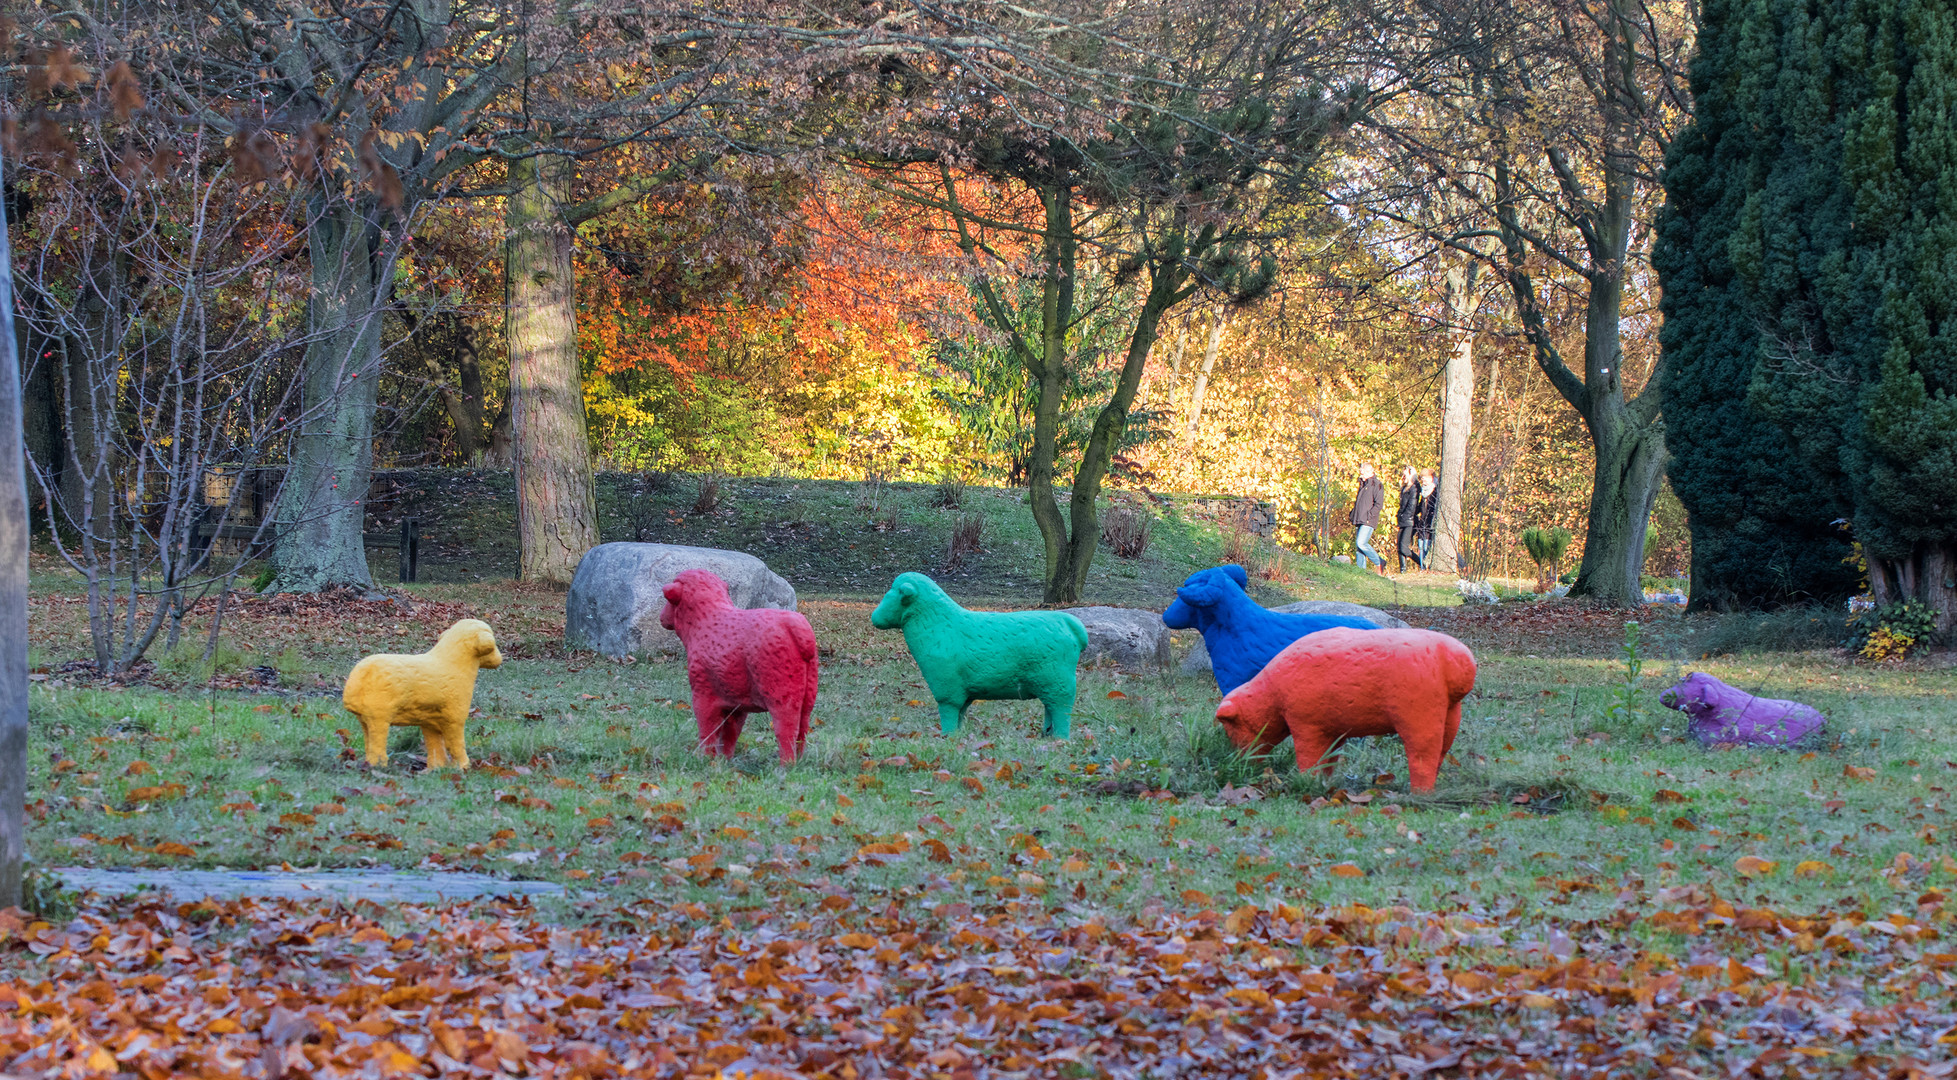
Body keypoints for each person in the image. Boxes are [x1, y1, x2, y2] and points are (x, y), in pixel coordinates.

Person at [1349, 463, 1385, 573]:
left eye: (1362, 472)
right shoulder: (1363, 485)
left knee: (1361, 543)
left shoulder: (1377, 484)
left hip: (1368, 520)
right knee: (1359, 548)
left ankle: (1379, 562)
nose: (1361, 474)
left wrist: (1369, 516)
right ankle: (1361, 571)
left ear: (1370, 472)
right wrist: (1353, 514)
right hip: (1359, 519)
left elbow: (1378, 504)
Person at [1395, 466, 1421, 573]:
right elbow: (1402, 506)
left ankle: (1421, 563)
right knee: (1399, 545)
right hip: (1403, 520)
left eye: (1405, 475)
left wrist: (1404, 517)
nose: (1403, 477)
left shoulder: (1414, 489)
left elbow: (1412, 507)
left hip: (1410, 521)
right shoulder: (1404, 489)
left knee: (1403, 547)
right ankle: (1403, 569)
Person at [1414, 468, 1438, 570]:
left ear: (1432, 478)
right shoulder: (1422, 492)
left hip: (1430, 522)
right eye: (1422, 478)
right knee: (1420, 546)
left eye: (1426, 478)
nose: (1424, 480)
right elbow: (1420, 507)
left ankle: (1427, 566)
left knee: (1426, 546)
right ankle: (1422, 567)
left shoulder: (1435, 491)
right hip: (1422, 522)